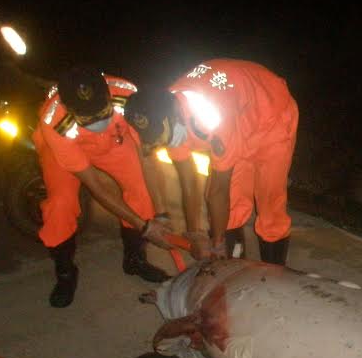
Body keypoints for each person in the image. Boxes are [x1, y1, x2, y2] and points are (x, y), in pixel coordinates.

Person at [124, 59, 299, 264]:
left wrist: (216, 243)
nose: (160, 144)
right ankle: (233, 267)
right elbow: (188, 179)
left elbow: (217, 192)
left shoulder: (212, 118)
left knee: (270, 205)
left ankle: (274, 273)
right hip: (239, 115)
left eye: (160, 138)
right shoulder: (159, 107)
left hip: (271, 117)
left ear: (174, 116)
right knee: (231, 210)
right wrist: (193, 233)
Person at [33, 65, 171, 308]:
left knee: (142, 192)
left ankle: (134, 259)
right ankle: (65, 274)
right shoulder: (54, 122)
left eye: (102, 111)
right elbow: (96, 187)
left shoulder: (129, 96)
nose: (96, 120)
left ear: (108, 94)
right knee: (59, 206)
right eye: (88, 117)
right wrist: (144, 226)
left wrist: (160, 214)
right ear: (68, 108)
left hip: (113, 140)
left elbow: (147, 156)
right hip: (65, 148)